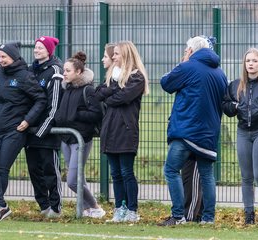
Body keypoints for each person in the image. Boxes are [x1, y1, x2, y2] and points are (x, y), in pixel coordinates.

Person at [0, 42, 47, 221]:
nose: (0, 60)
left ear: (13, 57)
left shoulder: (25, 76)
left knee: (1, 168)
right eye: (0, 57)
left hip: (15, 130)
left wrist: (28, 120)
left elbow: (40, 100)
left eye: (4, 57)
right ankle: (0, 205)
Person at [158, 36, 227, 226]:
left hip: (186, 131)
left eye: (186, 50)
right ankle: (208, 218)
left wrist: (184, 62)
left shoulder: (188, 67)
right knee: (207, 175)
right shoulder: (220, 73)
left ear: (190, 50)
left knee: (171, 170)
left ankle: (178, 215)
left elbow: (165, 83)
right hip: (209, 135)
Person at [96, 41, 149, 223]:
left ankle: (132, 210)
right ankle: (120, 208)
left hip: (126, 131)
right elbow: (98, 94)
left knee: (127, 172)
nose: (113, 57)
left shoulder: (137, 77)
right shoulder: (113, 75)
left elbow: (121, 97)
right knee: (115, 174)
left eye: (117, 54)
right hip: (110, 130)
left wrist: (110, 93)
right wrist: (111, 90)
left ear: (126, 55)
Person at [55, 51, 106, 218]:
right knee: (78, 178)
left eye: (68, 70)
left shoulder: (88, 90)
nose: (64, 73)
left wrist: (76, 115)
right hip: (66, 138)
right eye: (64, 70)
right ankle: (87, 209)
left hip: (81, 139)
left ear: (78, 72)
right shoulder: (66, 89)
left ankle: (95, 207)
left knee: (72, 180)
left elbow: (96, 114)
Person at [25, 36, 63, 218]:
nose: (36, 50)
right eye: (36, 47)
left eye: (40, 47)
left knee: (50, 170)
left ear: (49, 50)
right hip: (30, 131)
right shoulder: (30, 70)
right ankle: (43, 206)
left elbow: (54, 105)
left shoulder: (55, 71)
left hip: (47, 133)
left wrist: (42, 129)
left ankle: (56, 208)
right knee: (34, 170)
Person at [222, 48, 258, 225]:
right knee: (246, 176)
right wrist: (234, 107)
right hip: (243, 132)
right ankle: (249, 215)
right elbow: (226, 104)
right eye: (248, 61)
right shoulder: (236, 85)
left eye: (254, 61)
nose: (251, 64)